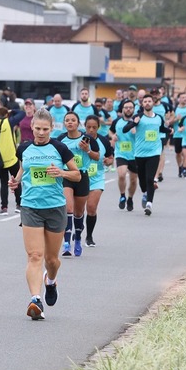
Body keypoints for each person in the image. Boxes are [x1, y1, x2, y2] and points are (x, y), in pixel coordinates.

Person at [8, 108, 81, 320]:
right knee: (34, 256)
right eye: (38, 128)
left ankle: (50, 281)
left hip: (55, 207)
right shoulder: (24, 148)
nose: (41, 133)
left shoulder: (60, 148)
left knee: (51, 260)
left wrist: (62, 173)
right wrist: (16, 180)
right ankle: (35, 299)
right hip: (30, 206)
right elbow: (24, 169)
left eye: (45, 129)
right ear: (31, 127)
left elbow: (77, 175)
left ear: (51, 128)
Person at [56, 112, 97, 257]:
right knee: (69, 208)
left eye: (73, 120)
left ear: (78, 123)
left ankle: (78, 238)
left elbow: (97, 156)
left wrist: (87, 150)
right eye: (67, 120)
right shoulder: (60, 139)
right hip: (67, 175)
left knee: (79, 212)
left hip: (82, 176)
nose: (70, 122)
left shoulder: (88, 139)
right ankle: (66, 243)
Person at [122, 94, 168, 216]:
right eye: (145, 101)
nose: (147, 103)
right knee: (142, 181)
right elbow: (125, 129)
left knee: (150, 179)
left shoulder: (158, 117)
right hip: (139, 153)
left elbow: (162, 128)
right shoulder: (138, 117)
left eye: (149, 101)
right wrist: (133, 123)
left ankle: (149, 204)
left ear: (153, 103)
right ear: (142, 104)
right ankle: (145, 193)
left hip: (154, 153)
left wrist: (170, 131)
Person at [81, 115, 114, 247]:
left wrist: (108, 161)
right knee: (76, 210)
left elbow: (111, 158)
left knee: (91, 207)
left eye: (94, 127)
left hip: (97, 178)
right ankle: (77, 230)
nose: (91, 130)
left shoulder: (104, 141)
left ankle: (89, 236)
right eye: (88, 127)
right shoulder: (79, 140)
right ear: (85, 127)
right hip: (80, 178)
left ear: (98, 128)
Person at [0, 104, 20, 214]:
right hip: (11, 158)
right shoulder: (8, 122)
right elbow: (22, 113)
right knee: (16, 181)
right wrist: (12, 110)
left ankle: (4, 207)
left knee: (3, 183)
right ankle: (19, 205)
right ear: (6, 114)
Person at [111, 99, 139, 211]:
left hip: (135, 155)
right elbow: (111, 131)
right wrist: (113, 136)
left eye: (130, 107)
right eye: (126, 107)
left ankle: (130, 198)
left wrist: (136, 132)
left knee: (133, 180)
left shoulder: (138, 122)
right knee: (121, 175)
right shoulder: (117, 121)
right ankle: (122, 196)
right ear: (122, 109)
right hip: (121, 153)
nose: (128, 109)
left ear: (133, 109)